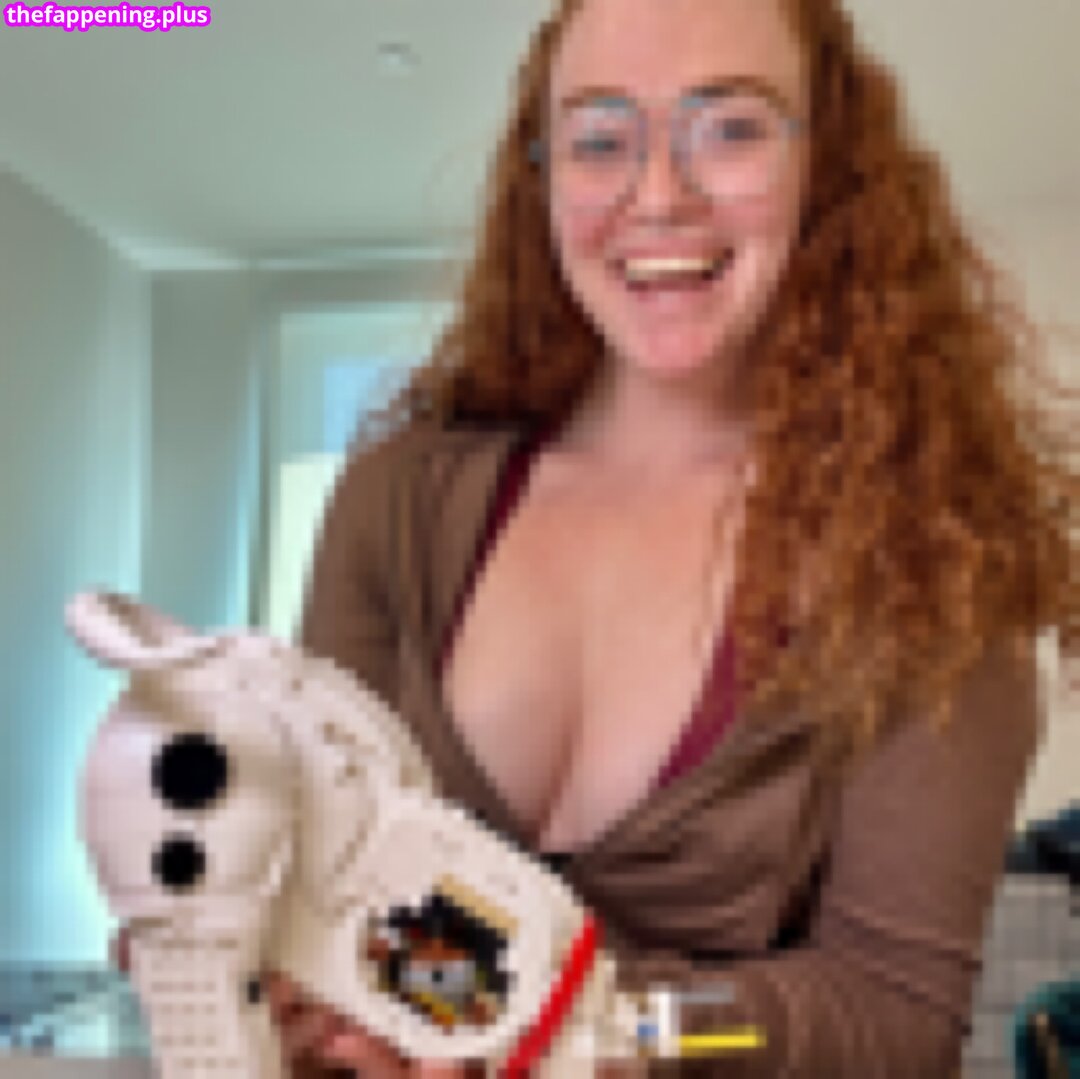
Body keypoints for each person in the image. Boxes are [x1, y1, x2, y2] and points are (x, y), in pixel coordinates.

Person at [267, 0, 1078, 1074]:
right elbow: (330, 888)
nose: (657, 195)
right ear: (543, 178)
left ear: (828, 160)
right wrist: (266, 959)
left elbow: (893, 1013)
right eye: (601, 139)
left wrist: (595, 1031)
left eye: (730, 127)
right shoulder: (395, 501)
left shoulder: (932, 556)